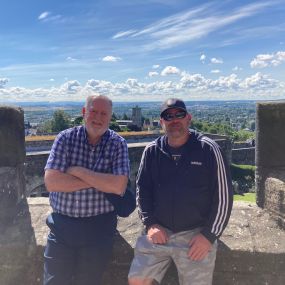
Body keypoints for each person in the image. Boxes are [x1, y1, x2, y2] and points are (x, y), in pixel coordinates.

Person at [128, 98, 233, 285]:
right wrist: (150, 223)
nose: (174, 119)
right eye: (168, 116)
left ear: (188, 118)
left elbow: (224, 197)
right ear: (162, 122)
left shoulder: (208, 149)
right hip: (159, 231)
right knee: (137, 281)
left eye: (179, 114)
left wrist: (209, 236)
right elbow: (142, 190)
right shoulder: (152, 151)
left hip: (196, 234)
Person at [43, 95, 130, 285]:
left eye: (104, 114)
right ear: (84, 112)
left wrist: (79, 172)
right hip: (61, 228)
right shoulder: (65, 138)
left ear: (110, 117)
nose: (98, 118)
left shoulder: (117, 143)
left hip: (99, 229)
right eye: (94, 112)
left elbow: (118, 186)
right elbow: (52, 182)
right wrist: (100, 179)